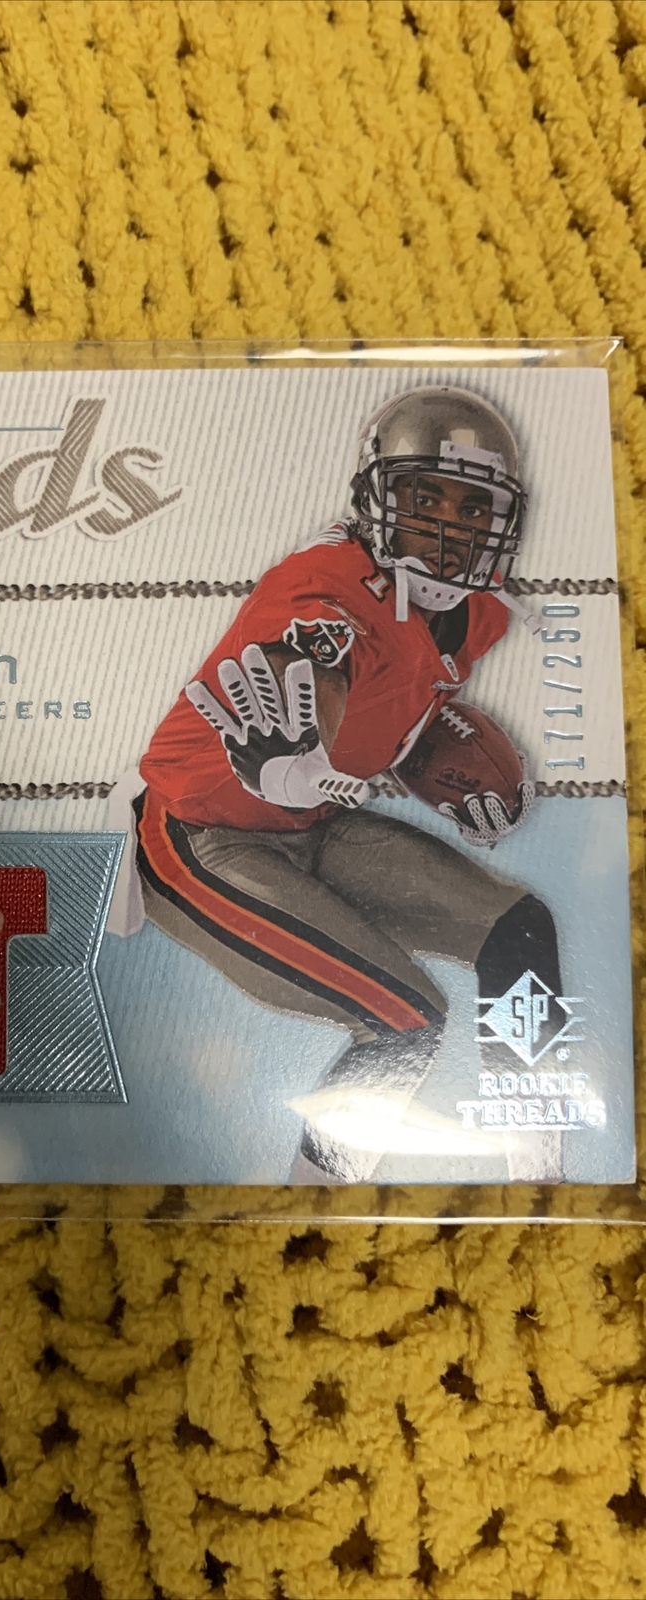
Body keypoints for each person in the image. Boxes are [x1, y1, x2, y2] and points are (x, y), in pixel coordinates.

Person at [126, 385, 560, 1183]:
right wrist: (298, 755)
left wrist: (434, 756)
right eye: (424, 498)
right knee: (405, 1021)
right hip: (202, 833)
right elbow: (308, 664)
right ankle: (315, 1207)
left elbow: (396, 697)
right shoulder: (322, 584)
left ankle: (539, 1166)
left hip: (311, 824)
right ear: (376, 496)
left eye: (472, 507)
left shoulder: (482, 613)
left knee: (520, 930)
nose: (447, 528)